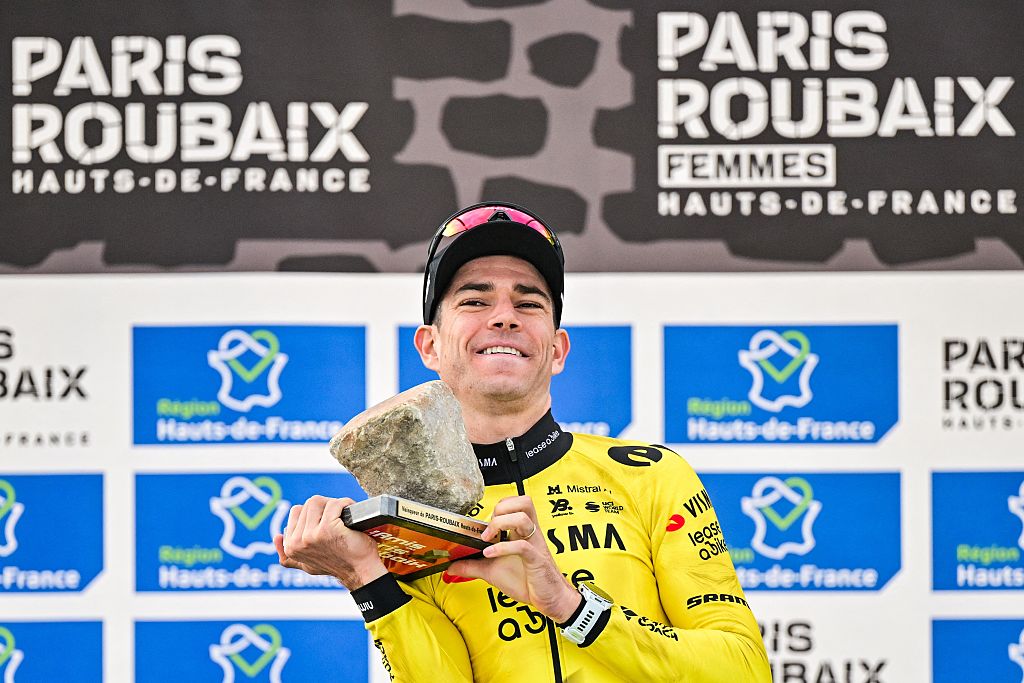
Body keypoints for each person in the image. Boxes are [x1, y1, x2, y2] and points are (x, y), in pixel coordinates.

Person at [274, 202, 771, 681]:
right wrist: (367, 578)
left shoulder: (649, 474)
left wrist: (571, 607)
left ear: (556, 349)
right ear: (431, 346)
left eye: (529, 302)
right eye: (474, 300)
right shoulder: (411, 520)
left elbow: (742, 670)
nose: (504, 316)